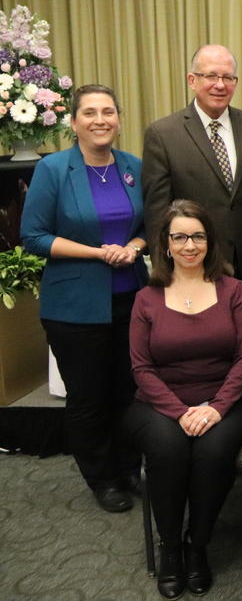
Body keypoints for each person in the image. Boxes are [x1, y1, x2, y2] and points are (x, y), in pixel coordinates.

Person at [21, 84, 148, 512]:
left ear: (119, 120)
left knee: (129, 391)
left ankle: (129, 467)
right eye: (90, 113)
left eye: (108, 111)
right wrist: (97, 253)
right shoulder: (54, 169)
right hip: (74, 307)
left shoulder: (133, 167)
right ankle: (103, 479)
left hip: (132, 299)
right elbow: (33, 237)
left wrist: (134, 247)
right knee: (88, 397)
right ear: (73, 122)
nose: (100, 120)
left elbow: (149, 226)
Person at [125, 200, 242, 599]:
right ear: (165, 244)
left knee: (213, 453)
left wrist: (216, 407)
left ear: (209, 241)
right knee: (167, 451)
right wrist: (180, 413)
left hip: (226, 399)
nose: (189, 245)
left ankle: (196, 544)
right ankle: (170, 547)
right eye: (179, 237)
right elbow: (141, 368)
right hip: (160, 403)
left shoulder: (232, 290)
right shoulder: (146, 298)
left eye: (198, 236)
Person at [143, 44, 242, 284]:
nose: (220, 85)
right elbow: (157, 215)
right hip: (194, 266)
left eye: (228, 77)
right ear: (192, 80)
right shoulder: (163, 134)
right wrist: (165, 274)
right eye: (211, 76)